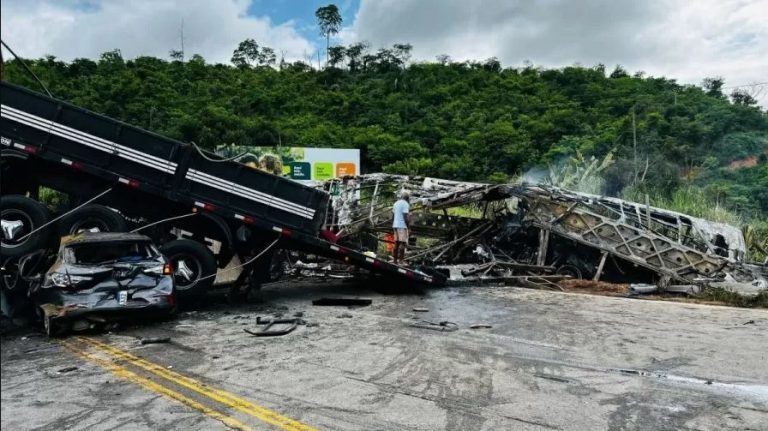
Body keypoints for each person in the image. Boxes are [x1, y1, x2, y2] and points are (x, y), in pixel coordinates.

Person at [392, 191, 411, 265]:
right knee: (402, 243)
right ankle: (401, 261)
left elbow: (392, 216)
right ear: (407, 198)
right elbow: (405, 217)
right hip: (402, 225)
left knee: (396, 243)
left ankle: (395, 261)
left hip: (395, 225)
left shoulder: (396, 203)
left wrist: (393, 224)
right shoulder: (405, 204)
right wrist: (408, 227)